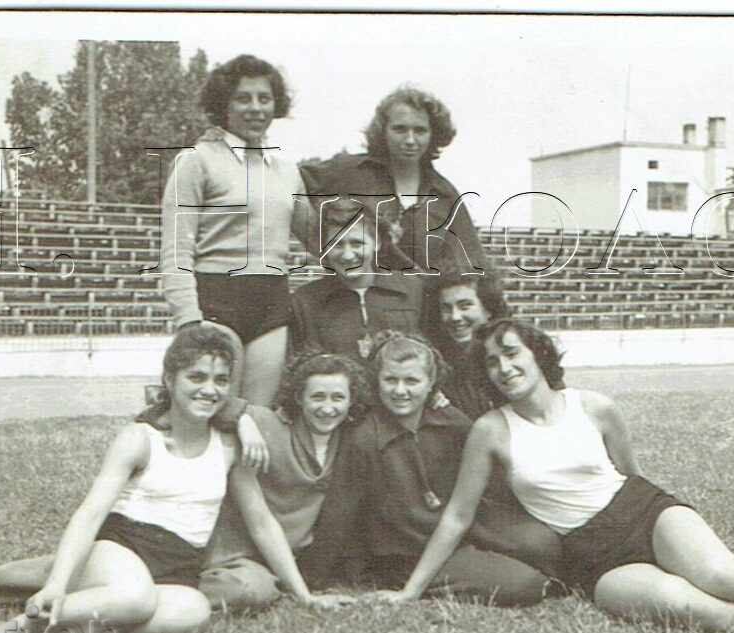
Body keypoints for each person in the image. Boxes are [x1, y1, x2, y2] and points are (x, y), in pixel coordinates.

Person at [372, 319, 734, 631]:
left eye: (512, 353)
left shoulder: (596, 407)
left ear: (537, 354)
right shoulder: (490, 430)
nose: (504, 367)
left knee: (719, 574)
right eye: (492, 363)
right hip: (591, 557)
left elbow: (632, 476)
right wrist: (411, 590)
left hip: (643, 514)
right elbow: (457, 517)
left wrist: (669, 535)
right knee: (698, 609)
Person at [0, 326, 344, 633]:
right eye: (196, 377)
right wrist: (56, 582)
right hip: (122, 547)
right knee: (134, 598)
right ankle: (10, 627)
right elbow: (90, 513)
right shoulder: (140, 439)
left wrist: (305, 595)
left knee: (192, 613)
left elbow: (262, 523)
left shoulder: (228, 448)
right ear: (169, 381)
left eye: (221, 380)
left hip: (179, 565)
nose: (210, 390)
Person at [313, 330, 563, 606]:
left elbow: (490, 483)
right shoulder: (364, 438)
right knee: (525, 585)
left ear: (431, 382)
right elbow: (340, 510)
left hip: (463, 528)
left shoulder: (451, 421)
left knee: (544, 544)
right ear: (377, 380)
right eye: (390, 380)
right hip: (408, 549)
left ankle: (489, 561)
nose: (400, 391)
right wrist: (312, 579)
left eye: (412, 381)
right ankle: (433, 584)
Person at [160, 54, 312, 406]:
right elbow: (175, 251)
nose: (255, 108)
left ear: (276, 104)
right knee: (215, 414)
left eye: (264, 98)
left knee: (256, 417)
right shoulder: (196, 160)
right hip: (216, 298)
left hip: (272, 299)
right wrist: (188, 320)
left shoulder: (287, 170)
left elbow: (321, 240)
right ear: (223, 104)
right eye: (243, 98)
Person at [198, 350, 372, 609]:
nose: (327, 408)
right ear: (299, 398)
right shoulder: (269, 424)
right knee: (248, 590)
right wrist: (241, 418)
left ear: (351, 401)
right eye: (317, 397)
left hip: (291, 558)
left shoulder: (348, 438)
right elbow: (188, 403)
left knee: (265, 588)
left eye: (338, 398)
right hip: (240, 556)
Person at [300, 86, 488, 277]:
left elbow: (471, 264)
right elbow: (290, 182)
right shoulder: (349, 171)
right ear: (383, 131)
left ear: (434, 135)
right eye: (400, 129)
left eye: (420, 130)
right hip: (351, 297)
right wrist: (317, 240)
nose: (410, 140)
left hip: (416, 301)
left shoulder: (444, 194)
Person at [289, 199, 424, 360]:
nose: (348, 255)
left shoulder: (413, 289)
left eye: (357, 243)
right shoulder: (305, 301)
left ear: (377, 243)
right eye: (336, 245)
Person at [430, 271, 511, 420]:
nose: (455, 317)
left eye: (465, 306)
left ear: (488, 309)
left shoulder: (515, 354)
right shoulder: (438, 364)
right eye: (447, 308)